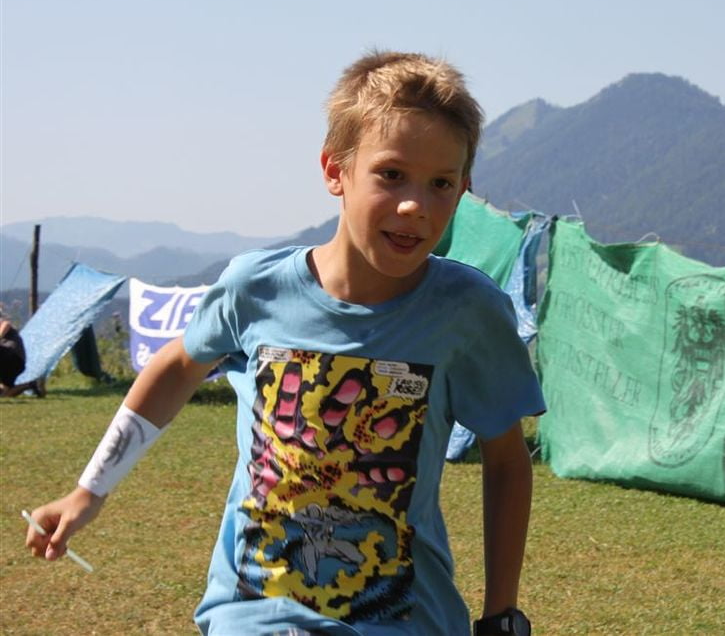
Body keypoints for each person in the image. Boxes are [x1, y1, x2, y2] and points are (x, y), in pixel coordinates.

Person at [25, 51, 543, 636]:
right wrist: (88, 492)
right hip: (253, 616)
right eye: (391, 174)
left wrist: (502, 614)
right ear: (335, 170)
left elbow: (506, 460)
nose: (414, 205)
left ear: (463, 189)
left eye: (441, 184)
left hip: (404, 621)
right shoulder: (255, 288)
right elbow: (178, 366)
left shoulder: (467, 312)